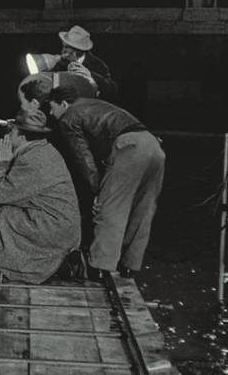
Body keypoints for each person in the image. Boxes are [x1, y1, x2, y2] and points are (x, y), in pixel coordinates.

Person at [48, 85, 164, 279]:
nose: (51, 113)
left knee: (111, 208)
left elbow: (83, 159)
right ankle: (130, 265)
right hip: (153, 145)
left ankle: (100, 267)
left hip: (129, 147)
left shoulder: (69, 117)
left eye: (53, 107)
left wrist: (97, 192)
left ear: (64, 104)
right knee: (143, 208)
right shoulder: (94, 104)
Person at [0, 109, 83, 284]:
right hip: (60, 224)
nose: (9, 134)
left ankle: (45, 266)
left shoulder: (32, 159)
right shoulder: (43, 149)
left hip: (52, 227)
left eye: (12, 130)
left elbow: (2, 194)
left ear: (20, 136)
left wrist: (3, 163)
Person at [25, 25, 119, 101]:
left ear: (77, 51)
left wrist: (90, 75)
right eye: (63, 46)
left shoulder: (97, 64)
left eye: (66, 47)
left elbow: (112, 91)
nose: (62, 51)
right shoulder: (60, 63)